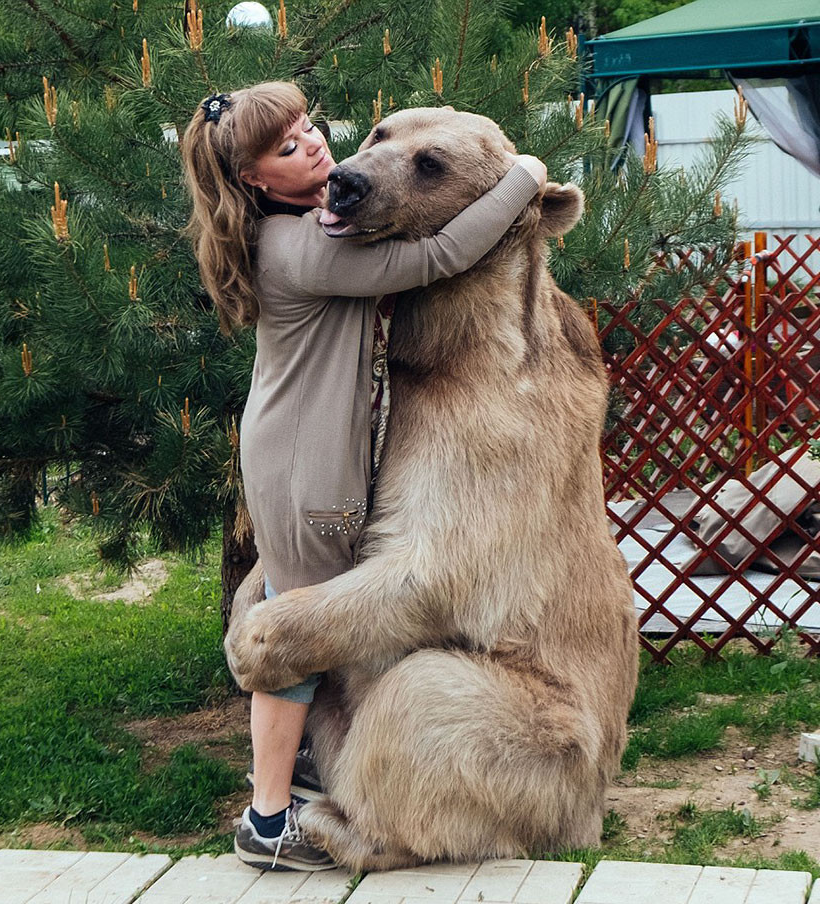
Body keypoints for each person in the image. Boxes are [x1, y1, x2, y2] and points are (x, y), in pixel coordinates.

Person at [180, 81, 547, 872]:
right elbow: (442, 253)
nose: (323, 150)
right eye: (286, 149)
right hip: (305, 463)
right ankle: (268, 819)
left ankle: (295, 776)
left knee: (296, 611)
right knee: (288, 637)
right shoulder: (308, 248)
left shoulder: (303, 226)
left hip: (291, 447)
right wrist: (525, 178)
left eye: (310, 129)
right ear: (252, 180)